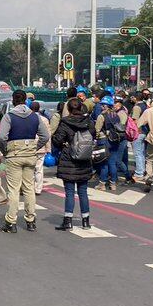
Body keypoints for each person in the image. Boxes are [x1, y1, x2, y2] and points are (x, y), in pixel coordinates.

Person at [0, 89, 50, 233]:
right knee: (29, 188)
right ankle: (31, 220)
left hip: (14, 155)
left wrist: (5, 150)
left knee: (14, 190)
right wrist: (34, 147)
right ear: (26, 100)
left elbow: (2, 137)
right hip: (30, 155)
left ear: (13, 100)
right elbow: (45, 136)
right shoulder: (35, 116)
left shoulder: (9, 116)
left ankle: (11, 222)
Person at [51, 98, 93, 230]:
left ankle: (68, 221)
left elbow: (57, 140)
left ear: (68, 109)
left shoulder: (65, 122)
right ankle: (86, 221)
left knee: (69, 192)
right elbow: (93, 134)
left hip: (69, 159)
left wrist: (63, 143)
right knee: (83, 191)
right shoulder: (88, 121)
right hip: (85, 159)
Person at [93, 96, 128, 191]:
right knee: (112, 163)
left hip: (104, 141)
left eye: (102, 105)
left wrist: (95, 140)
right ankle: (113, 183)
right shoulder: (115, 115)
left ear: (105, 106)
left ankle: (102, 183)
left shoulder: (101, 116)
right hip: (115, 140)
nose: (101, 106)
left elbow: (97, 130)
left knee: (104, 163)